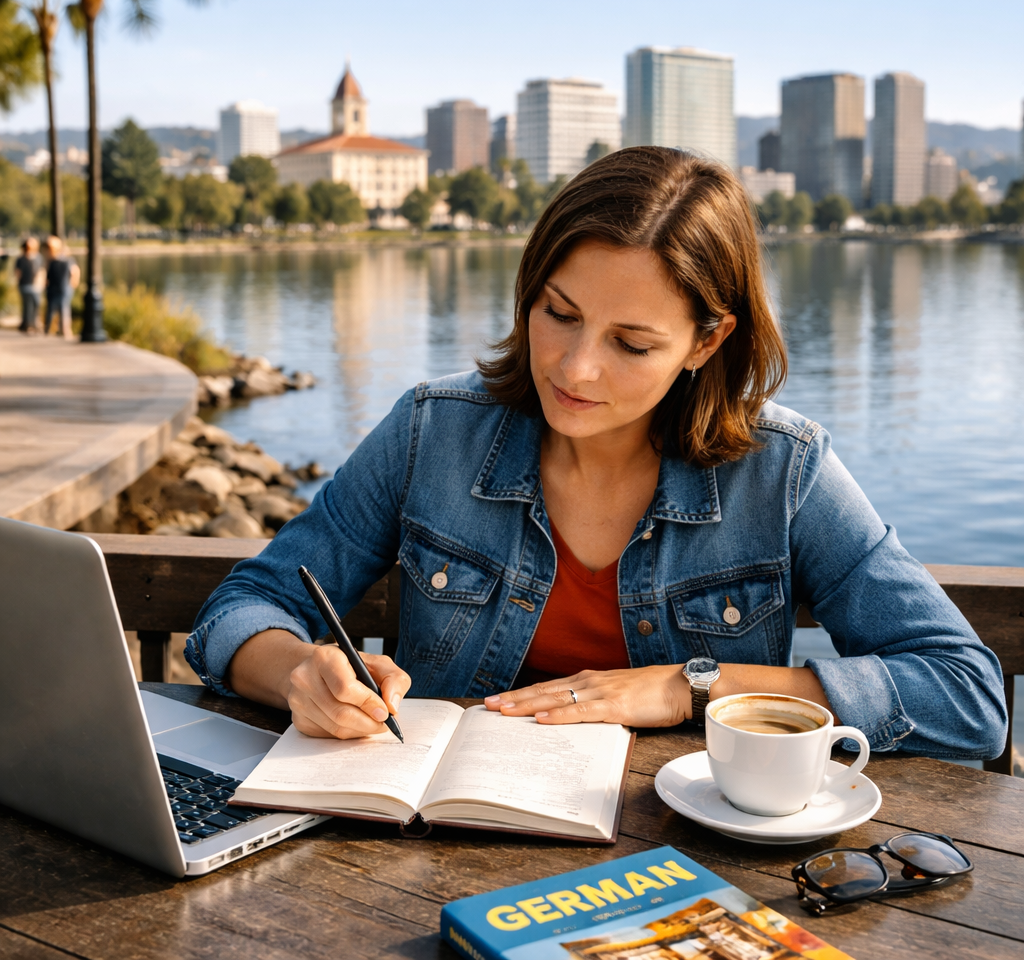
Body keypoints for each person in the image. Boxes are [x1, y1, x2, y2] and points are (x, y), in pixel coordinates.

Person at [186, 148, 1007, 761]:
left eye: (632, 342)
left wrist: (690, 689)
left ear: (706, 340)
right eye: (559, 312)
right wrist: (299, 673)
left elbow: (966, 696)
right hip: (427, 845)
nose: (576, 369)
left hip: (687, 857)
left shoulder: (783, 470)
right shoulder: (429, 431)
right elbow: (241, 609)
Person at [42, 236, 79, 338]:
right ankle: (51, 330)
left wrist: (72, 285)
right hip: (55, 289)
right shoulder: (51, 261)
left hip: (62, 290)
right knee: (53, 311)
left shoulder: (66, 260)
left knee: (63, 311)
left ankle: (64, 331)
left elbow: (75, 273)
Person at [15, 238, 45, 333]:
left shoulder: (39, 257)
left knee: (36, 305)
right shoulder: (20, 259)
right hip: (25, 285)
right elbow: (17, 272)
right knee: (27, 306)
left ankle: (35, 324)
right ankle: (27, 325)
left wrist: (41, 283)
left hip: (36, 286)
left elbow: (42, 271)